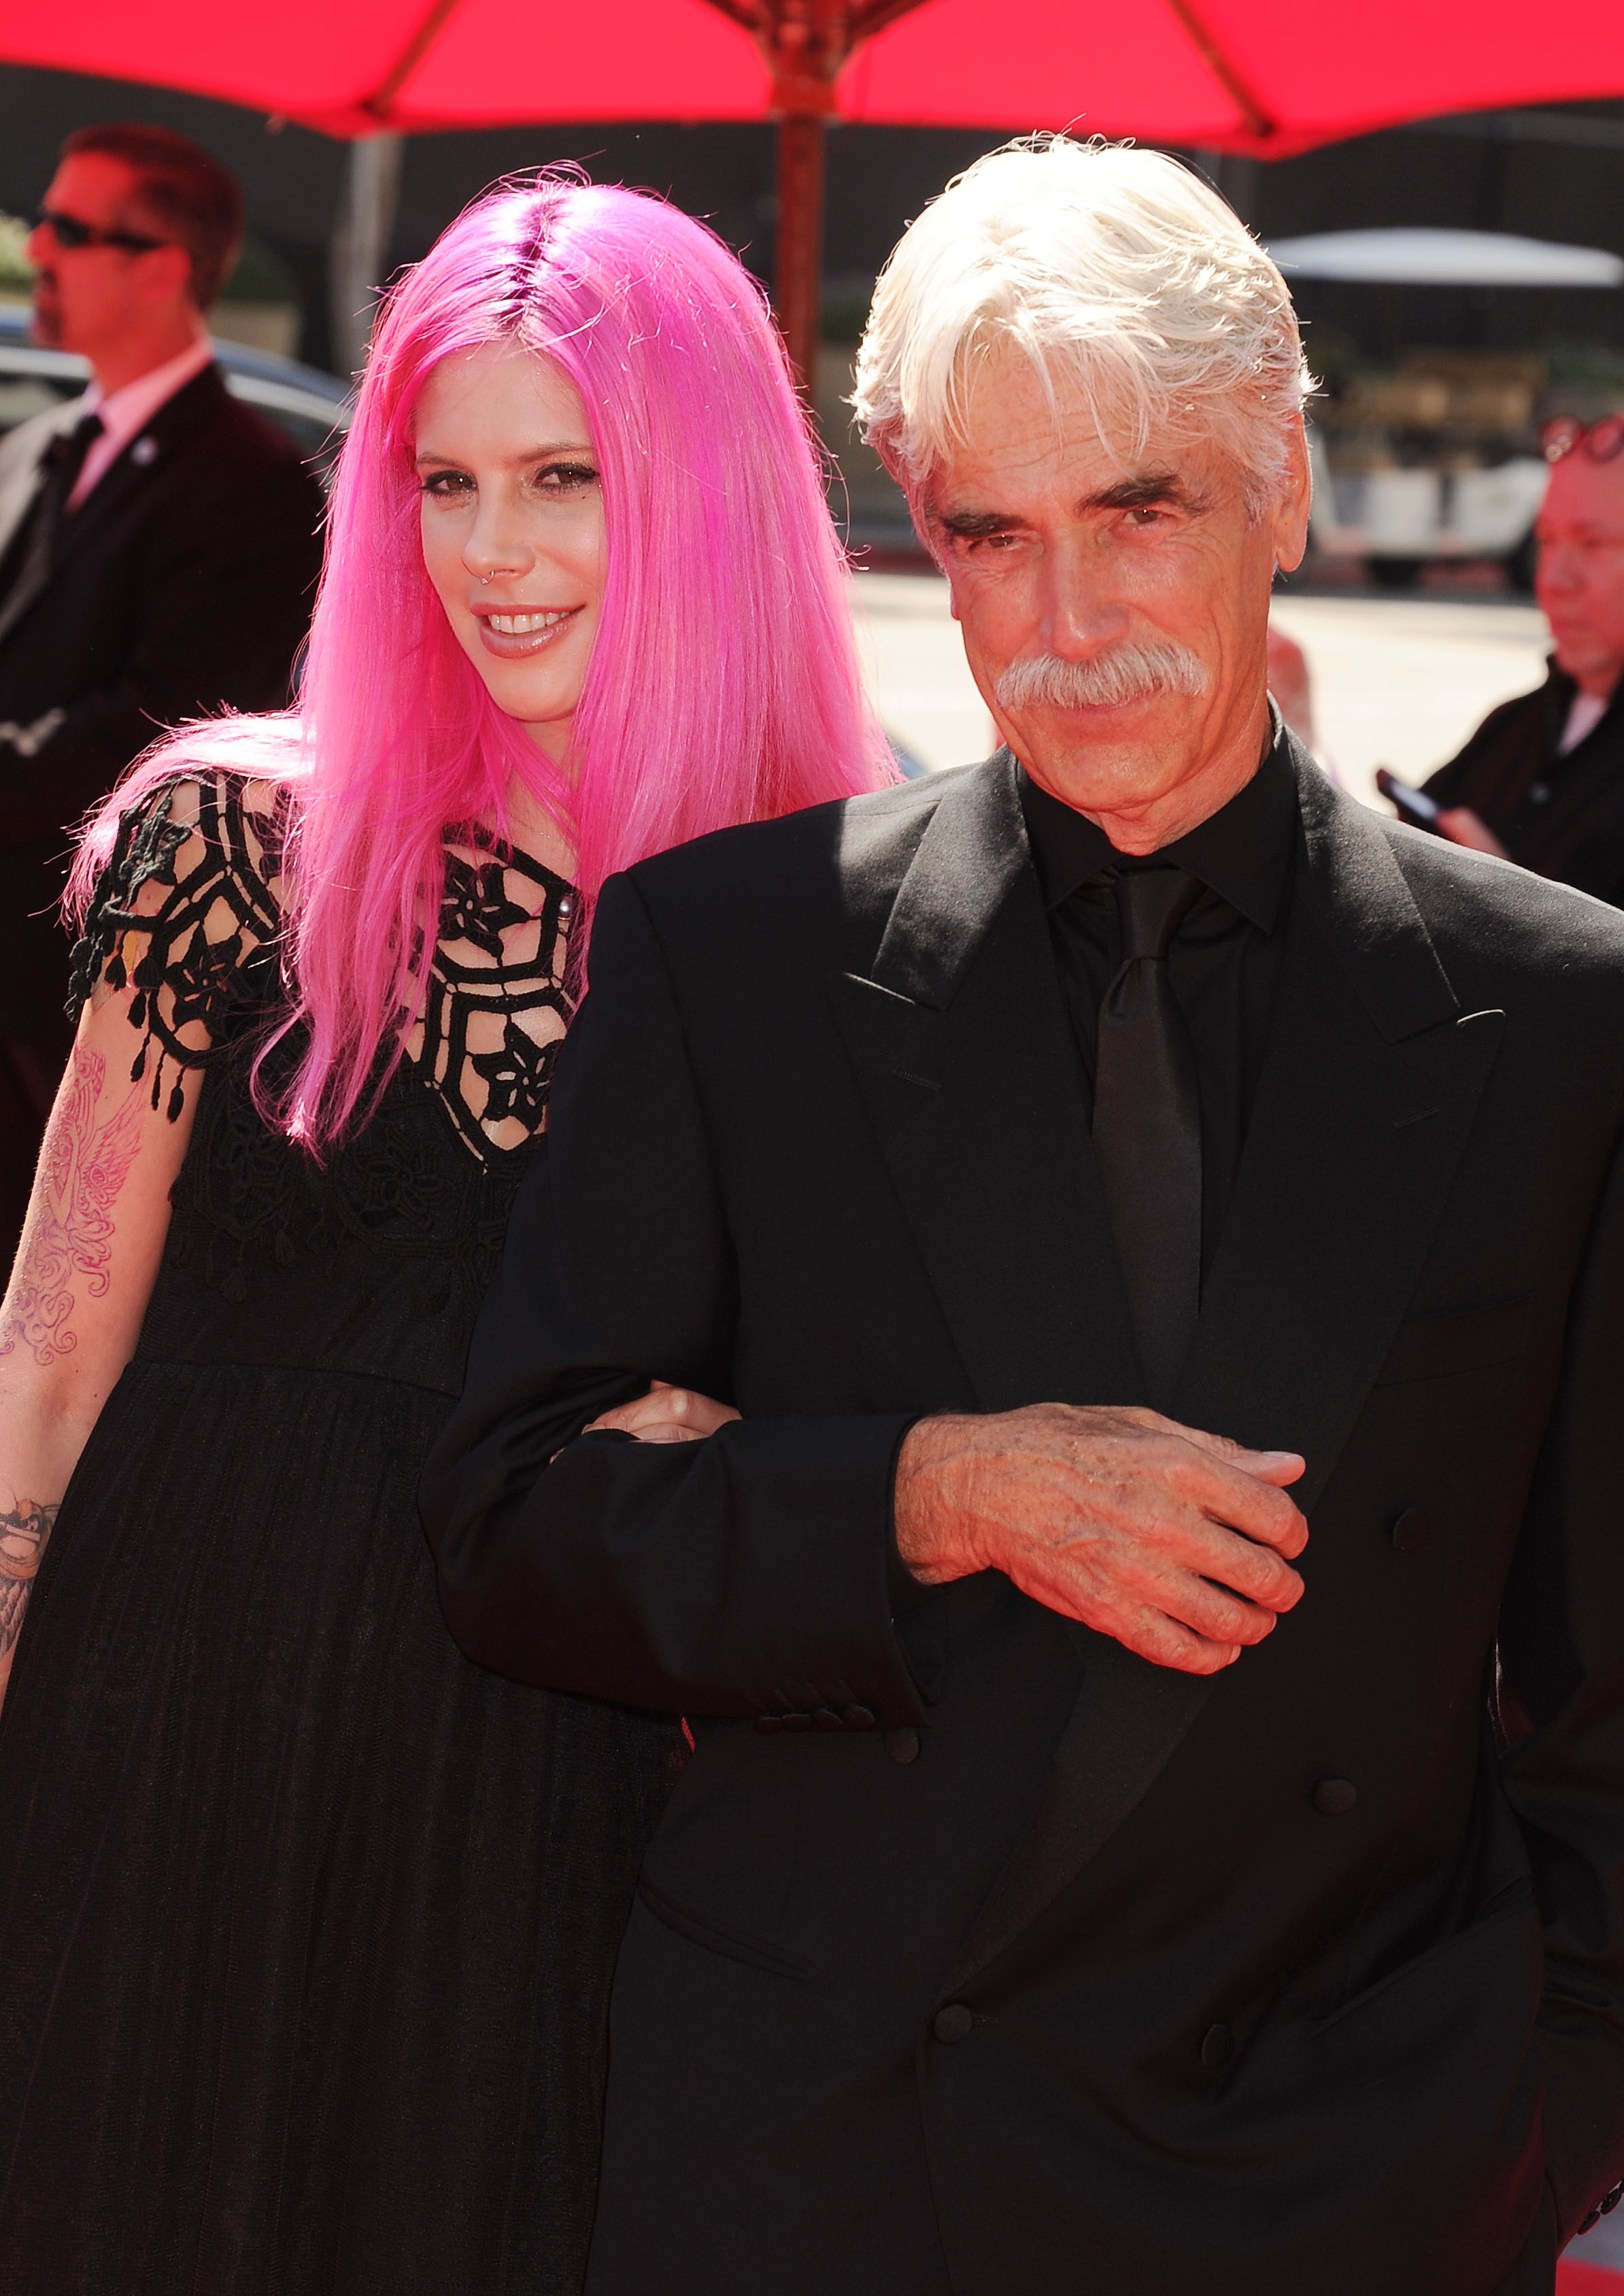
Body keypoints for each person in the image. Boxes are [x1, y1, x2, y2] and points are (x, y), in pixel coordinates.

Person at [422, 138, 1624, 2296]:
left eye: (1136, 515)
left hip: (1336, 2169)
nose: (1062, 630)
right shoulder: (734, 960)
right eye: (989, 536)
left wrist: (1522, 2115)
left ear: (1281, 488)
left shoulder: (1558, 1012)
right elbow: (510, 1528)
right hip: (830, 2155)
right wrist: (934, 1493)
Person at [0, 175, 885, 2294]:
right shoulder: (239, 832)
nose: (495, 552)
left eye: (566, 478)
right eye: (445, 480)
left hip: (563, 1772)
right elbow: (55, 1316)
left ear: (703, 493)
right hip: (177, 1708)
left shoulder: (842, 922)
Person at [0, 123, 324, 1260]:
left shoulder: (254, 487)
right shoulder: (46, 443)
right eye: (44, 221)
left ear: (166, 267)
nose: (38, 246)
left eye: (74, 231)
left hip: (83, 1003)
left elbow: (159, 736)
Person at [1421, 413, 1624, 899]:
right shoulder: (1514, 727)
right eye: (1548, 541)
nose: (1554, 579)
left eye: (1593, 544)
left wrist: (1515, 912)